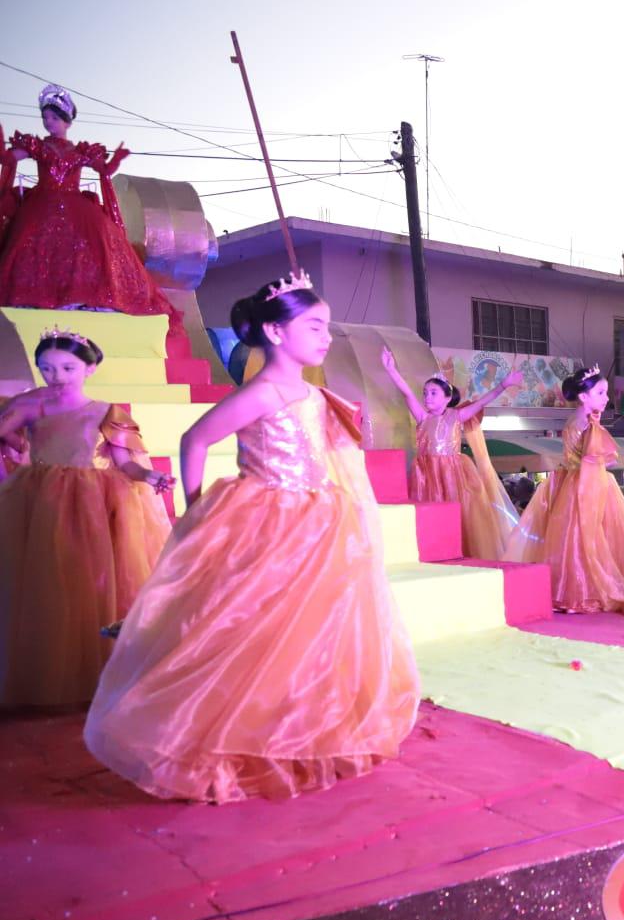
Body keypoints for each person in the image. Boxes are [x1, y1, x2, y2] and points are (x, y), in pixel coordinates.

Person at [84, 272, 419, 802]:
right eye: (314, 326)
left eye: (326, 326)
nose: (326, 337)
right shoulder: (262, 393)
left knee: (310, 628)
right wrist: (195, 510)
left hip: (318, 518)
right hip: (266, 520)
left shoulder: (310, 392)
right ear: (276, 332)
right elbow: (196, 439)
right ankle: (225, 736)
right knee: (252, 627)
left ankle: (301, 728)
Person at [0, 331, 173, 707]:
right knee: (50, 578)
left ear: (90, 368)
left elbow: (125, 462)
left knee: (96, 576)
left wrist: (150, 475)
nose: (56, 375)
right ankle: (52, 668)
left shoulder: (106, 412)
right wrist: (19, 414)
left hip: (95, 499)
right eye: (46, 368)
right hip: (43, 498)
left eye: (67, 367)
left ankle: (104, 667)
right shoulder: (32, 406)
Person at [0, 87, 184, 342]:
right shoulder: (38, 146)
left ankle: (84, 298)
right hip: (42, 205)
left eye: (53, 117)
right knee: (31, 248)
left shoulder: (80, 152)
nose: (48, 122)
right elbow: (7, 158)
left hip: (76, 207)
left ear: (66, 120)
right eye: (45, 118)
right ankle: (33, 300)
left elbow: (104, 169)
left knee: (93, 249)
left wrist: (116, 160)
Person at [509, 367, 624, 615]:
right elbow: (601, 460)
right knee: (587, 539)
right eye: (601, 392)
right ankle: (583, 593)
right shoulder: (585, 423)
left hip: (577, 482)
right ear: (584, 396)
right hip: (586, 484)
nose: (606, 398)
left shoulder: (579, 420)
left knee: (576, 540)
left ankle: (574, 591)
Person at [380, 348, 522, 560]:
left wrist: (504, 384)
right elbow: (407, 393)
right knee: (429, 515)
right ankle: (431, 552)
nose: (427, 397)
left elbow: (482, 401)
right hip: (426, 476)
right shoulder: (422, 417)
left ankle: (458, 552)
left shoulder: (457, 416)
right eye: (425, 393)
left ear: (447, 398)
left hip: (452, 475)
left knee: (458, 515)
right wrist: (391, 370)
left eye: (433, 393)